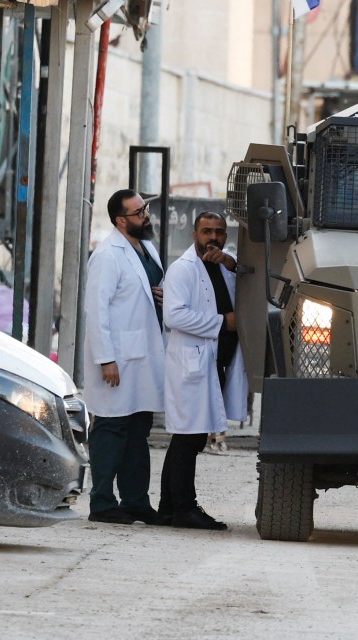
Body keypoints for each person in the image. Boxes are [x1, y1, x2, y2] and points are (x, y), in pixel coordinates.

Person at [159, 211, 247, 530]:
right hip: (191, 363)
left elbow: (243, 279)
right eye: (207, 231)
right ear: (194, 234)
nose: (213, 237)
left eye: (219, 232)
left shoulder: (223, 266)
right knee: (189, 436)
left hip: (213, 361)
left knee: (189, 437)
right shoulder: (183, 269)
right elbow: (175, 317)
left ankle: (168, 508)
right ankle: (184, 508)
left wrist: (230, 263)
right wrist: (223, 322)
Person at [82, 189, 166, 525]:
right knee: (110, 428)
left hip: (142, 355)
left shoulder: (146, 247)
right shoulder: (107, 255)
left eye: (145, 209)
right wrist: (106, 359)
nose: (146, 215)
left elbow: (144, 293)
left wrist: (162, 294)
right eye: (138, 211)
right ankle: (101, 502)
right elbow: (96, 310)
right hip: (118, 359)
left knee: (137, 430)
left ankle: (135, 501)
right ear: (120, 220)